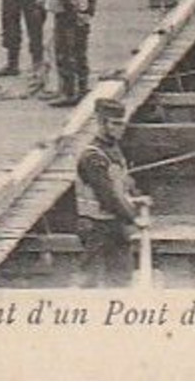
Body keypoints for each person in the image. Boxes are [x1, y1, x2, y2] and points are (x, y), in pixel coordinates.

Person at [75, 97, 145, 286]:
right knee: (89, 281)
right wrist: (134, 218)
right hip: (95, 226)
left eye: (122, 124)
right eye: (114, 124)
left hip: (114, 224)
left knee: (121, 279)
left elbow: (122, 179)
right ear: (101, 123)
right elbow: (107, 197)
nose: (120, 128)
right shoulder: (92, 156)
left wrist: (137, 194)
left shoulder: (113, 149)